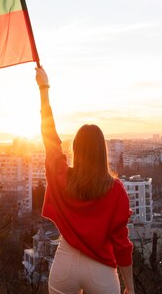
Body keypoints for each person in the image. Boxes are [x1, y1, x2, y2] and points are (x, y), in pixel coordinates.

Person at [36, 66, 135, 294]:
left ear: (76, 149)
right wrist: (131, 285)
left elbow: (49, 136)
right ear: (103, 151)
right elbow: (121, 244)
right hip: (100, 270)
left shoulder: (62, 177)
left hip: (65, 263)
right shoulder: (116, 191)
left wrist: (44, 88)